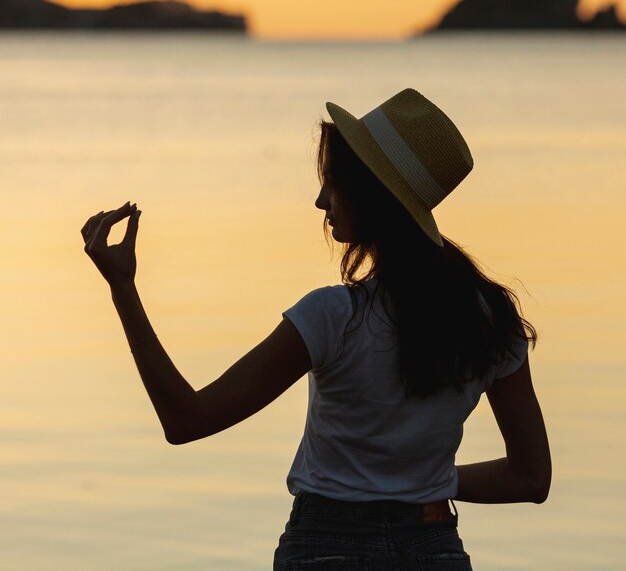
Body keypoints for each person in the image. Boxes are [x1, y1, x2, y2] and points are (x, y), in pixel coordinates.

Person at [82, 88, 551, 570]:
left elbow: (186, 420)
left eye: (332, 184)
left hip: (327, 549)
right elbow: (531, 478)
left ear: (368, 195)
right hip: (434, 551)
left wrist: (123, 288)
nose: (320, 200)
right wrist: (429, 481)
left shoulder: (334, 317)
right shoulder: (490, 319)